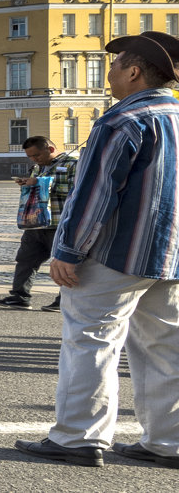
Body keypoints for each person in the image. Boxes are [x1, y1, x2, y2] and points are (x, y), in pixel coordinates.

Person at [14, 30, 179, 469]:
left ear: (134, 71)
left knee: (91, 339)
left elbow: (95, 192)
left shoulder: (122, 120)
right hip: (171, 255)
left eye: (114, 64)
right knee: (166, 347)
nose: (108, 72)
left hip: (116, 253)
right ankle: (169, 441)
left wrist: (67, 250)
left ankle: (78, 437)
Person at [0, 136, 75, 312]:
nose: (34, 160)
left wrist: (40, 183)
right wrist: (26, 184)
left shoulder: (72, 164)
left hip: (59, 223)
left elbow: (76, 190)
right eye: (30, 157)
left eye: (36, 155)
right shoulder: (38, 168)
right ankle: (19, 297)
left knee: (63, 263)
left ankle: (64, 301)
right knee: (25, 260)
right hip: (35, 223)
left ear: (50, 150)